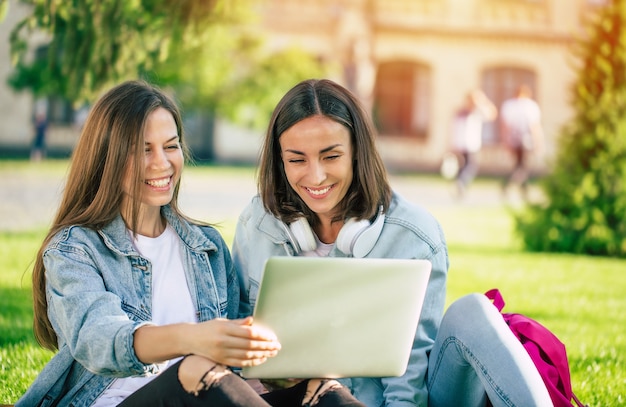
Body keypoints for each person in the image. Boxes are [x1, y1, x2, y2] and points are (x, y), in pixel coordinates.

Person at [16, 80, 365, 407]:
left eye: (171, 146)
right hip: (111, 401)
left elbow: (238, 372)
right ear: (107, 156)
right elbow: (100, 340)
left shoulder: (206, 247)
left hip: (205, 392)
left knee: (322, 389)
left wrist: (279, 367)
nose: (162, 163)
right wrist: (194, 339)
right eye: (143, 150)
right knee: (196, 367)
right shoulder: (74, 249)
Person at [232, 79, 553, 407]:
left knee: (474, 311)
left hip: (400, 401)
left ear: (358, 153)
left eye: (331, 157)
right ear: (279, 160)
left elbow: (410, 371)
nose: (315, 177)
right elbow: (240, 353)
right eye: (297, 160)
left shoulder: (414, 233)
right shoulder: (256, 224)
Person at [449, 89, 497, 198]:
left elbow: (492, 114)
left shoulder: (461, 112)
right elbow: (492, 113)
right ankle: (461, 183)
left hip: (460, 144)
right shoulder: (475, 112)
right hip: (469, 144)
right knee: (470, 166)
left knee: (463, 166)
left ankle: (459, 186)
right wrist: (483, 101)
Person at [499, 84, 544, 199]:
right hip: (523, 140)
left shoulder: (510, 105)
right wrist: (538, 142)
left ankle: (520, 188)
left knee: (520, 165)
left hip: (517, 140)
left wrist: (505, 141)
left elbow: (505, 126)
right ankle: (513, 186)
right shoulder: (529, 106)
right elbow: (534, 126)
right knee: (522, 165)